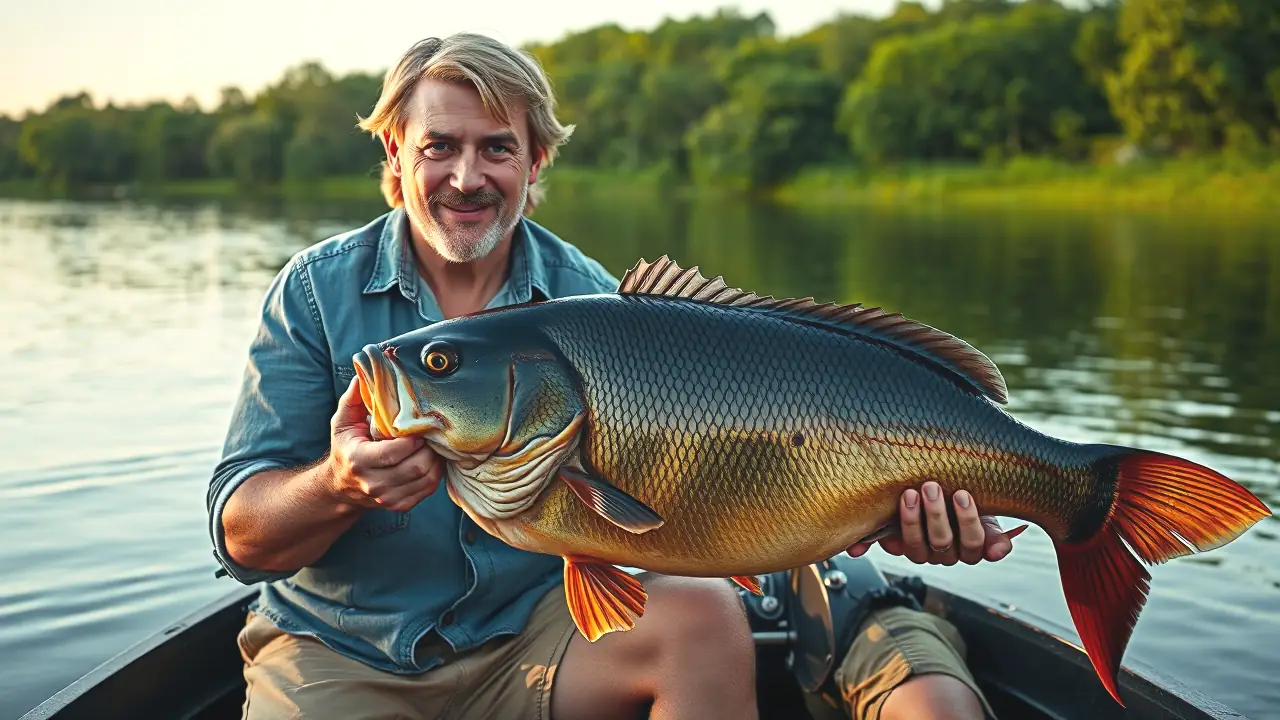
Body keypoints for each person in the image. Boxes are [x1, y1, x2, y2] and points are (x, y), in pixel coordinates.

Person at [207, 32, 1019, 720]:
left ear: (535, 161)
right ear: (396, 151)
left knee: (705, 618)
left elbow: (698, 505)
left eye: (497, 148)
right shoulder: (314, 294)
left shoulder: (600, 305)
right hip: (340, 649)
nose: (466, 177)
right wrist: (340, 485)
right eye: (439, 146)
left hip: (530, 639)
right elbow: (241, 537)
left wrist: (876, 515)